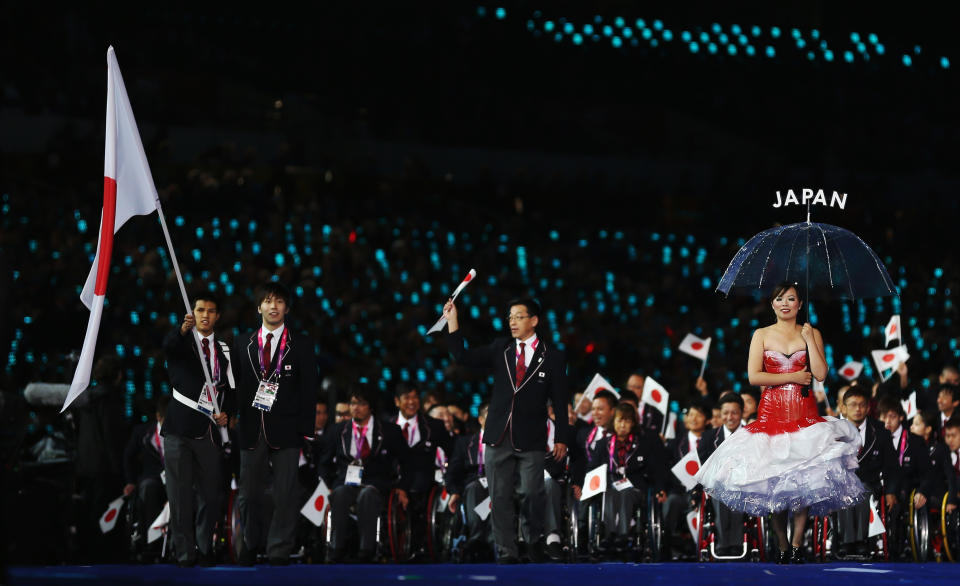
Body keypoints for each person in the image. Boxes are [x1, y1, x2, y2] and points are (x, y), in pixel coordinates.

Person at [695, 282, 863, 564]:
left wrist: (809, 340)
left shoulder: (812, 332)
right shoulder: (761, 334)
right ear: (772, 304)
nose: (785, 303)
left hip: (805, 415)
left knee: (802, 484)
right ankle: (782, 544)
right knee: (773, 486)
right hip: (772, 415)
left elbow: (821, 374)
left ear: (799, 304)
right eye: (779, 298)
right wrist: (793, 377)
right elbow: (754, 377)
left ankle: (797, 545)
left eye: (791, 298)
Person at [443, 296, 571, 564]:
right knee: (499, 497)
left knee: (532, 493)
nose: (512, 321)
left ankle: (534, 539)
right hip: (498, 435)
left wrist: (561, 438)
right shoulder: (501, 348)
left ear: (534, 321)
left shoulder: (553, 357)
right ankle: (507, 552)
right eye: (510, 317)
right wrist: (452, 320)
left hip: (532, 438)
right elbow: (462, 356)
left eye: (518, 316)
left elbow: (560, 402)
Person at [234, 282, 319, 565]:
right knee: (248, 495)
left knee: (286, 494)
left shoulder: (302, 345)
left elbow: (309, 389)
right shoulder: (242, 343)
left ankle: (279, 549)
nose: (273, 306)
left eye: (279, 301)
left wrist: (305, 430)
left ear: (287, 308)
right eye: (268, 301)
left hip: (288, 430)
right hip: (251, 428)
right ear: (259, 307)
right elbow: (236, 387)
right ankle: (249, 543)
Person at [161, 293, 234, 567]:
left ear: (217, 316)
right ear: (192, 313)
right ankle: (184, 553)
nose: (205, 315)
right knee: (179, 496)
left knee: (210, 495)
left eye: (211, 311)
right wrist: (181, 330)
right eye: (200, 310)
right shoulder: (182, 344)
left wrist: (230, 413)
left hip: (210, 431)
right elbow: (168, 347)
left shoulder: (225, 350)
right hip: (179, 429)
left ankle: (204, 548)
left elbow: (232, 389)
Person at [322, 384, 409, 562]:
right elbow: (324, 463)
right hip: (346, 482)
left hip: (376, 483)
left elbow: (406, 462)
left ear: (370, 406)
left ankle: (366, 548)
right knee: (339, 493)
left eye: (361, 403)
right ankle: (336, 547)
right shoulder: (337, 431)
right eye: (353, 403)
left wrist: (402, 487)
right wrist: (328, 486)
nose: (356, 408)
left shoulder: (390, 431)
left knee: (367, 495)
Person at [592, 404, 669, 553]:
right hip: (610, 485)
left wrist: (660, 488)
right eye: (620, 420)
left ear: (633, 423)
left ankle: (623, 534)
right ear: (613, 422)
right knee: (608, 492)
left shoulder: (643, 444)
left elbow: (655, 469)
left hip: (635, 488)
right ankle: (609, 534)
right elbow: (592, 468)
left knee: (626, 492)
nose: (622, 425)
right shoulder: (603, 445)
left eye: (627, 421)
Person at [834, 385, 901, 556]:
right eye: (853, 404)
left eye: (862, 404)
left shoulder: (880, 432)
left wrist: (891, 491)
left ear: (868, 407)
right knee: (847, 490)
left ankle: (860, 541)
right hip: (839, 484)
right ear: (843, 407)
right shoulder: (833, 431)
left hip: (870, 484)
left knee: (861, 490)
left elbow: (892, 467)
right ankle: (847, 541)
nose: (858, 409)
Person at [391, 382, 454, 558]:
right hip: (392, 479)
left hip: (422, 481)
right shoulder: (386, 426)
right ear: (397, 401)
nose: (412, 402)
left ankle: (418, 544)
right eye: (407, 398)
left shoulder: (434, 426)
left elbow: (453, 452)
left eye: (415, 397)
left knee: (418, 487)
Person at [696, 393, 746, 556]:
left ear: (742, 413)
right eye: (726, 413)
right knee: (718, 491)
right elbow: (702, 464)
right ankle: (723, 543)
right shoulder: (709, 437)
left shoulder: (750, 435)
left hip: (744, 483)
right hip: (717, 484)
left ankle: (737, 543)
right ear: (720, 413)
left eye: (734, 412)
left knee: (738, 490)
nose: (730, 417)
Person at [123, 395, 170, 560]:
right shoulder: (142, 433)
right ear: (159, 417)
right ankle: (152, 542)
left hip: (176, 478)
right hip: (152, 478)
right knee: (149, 488)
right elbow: (128, 457)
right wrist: (130, 481)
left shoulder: (182, 432)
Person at [446, 403, 493, 559]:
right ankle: (479, 537)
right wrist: (454, 492)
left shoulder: (510, 442)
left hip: (501, 484)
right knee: (474, 488)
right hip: (474, 483)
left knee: (498, 492)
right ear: (480, 419)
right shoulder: (465, 443)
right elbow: (453, 471)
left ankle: (482, 539)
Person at [877, 397, 931, 516]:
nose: (887, 422)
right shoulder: (875, 440)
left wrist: (922, 492)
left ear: (901, 417)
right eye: (883, 417)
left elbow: (927, 473)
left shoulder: (915, 441)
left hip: (907, 491)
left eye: (892, 417)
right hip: (881, 490)